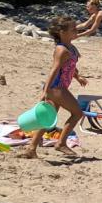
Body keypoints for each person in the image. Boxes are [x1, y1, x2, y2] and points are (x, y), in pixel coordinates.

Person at [19, 16, 87, 159]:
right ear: (62, 32)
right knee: (78, 113)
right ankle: (61, 143)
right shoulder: (61, 50)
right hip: (57, 88)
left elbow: (70, 66)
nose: (76, 30)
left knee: (48, 118)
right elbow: (54, 70)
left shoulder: (71, 48)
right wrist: (46, 91)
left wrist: (77, 76)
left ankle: (31, 148)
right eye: (73, 29)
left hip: (58, 87)